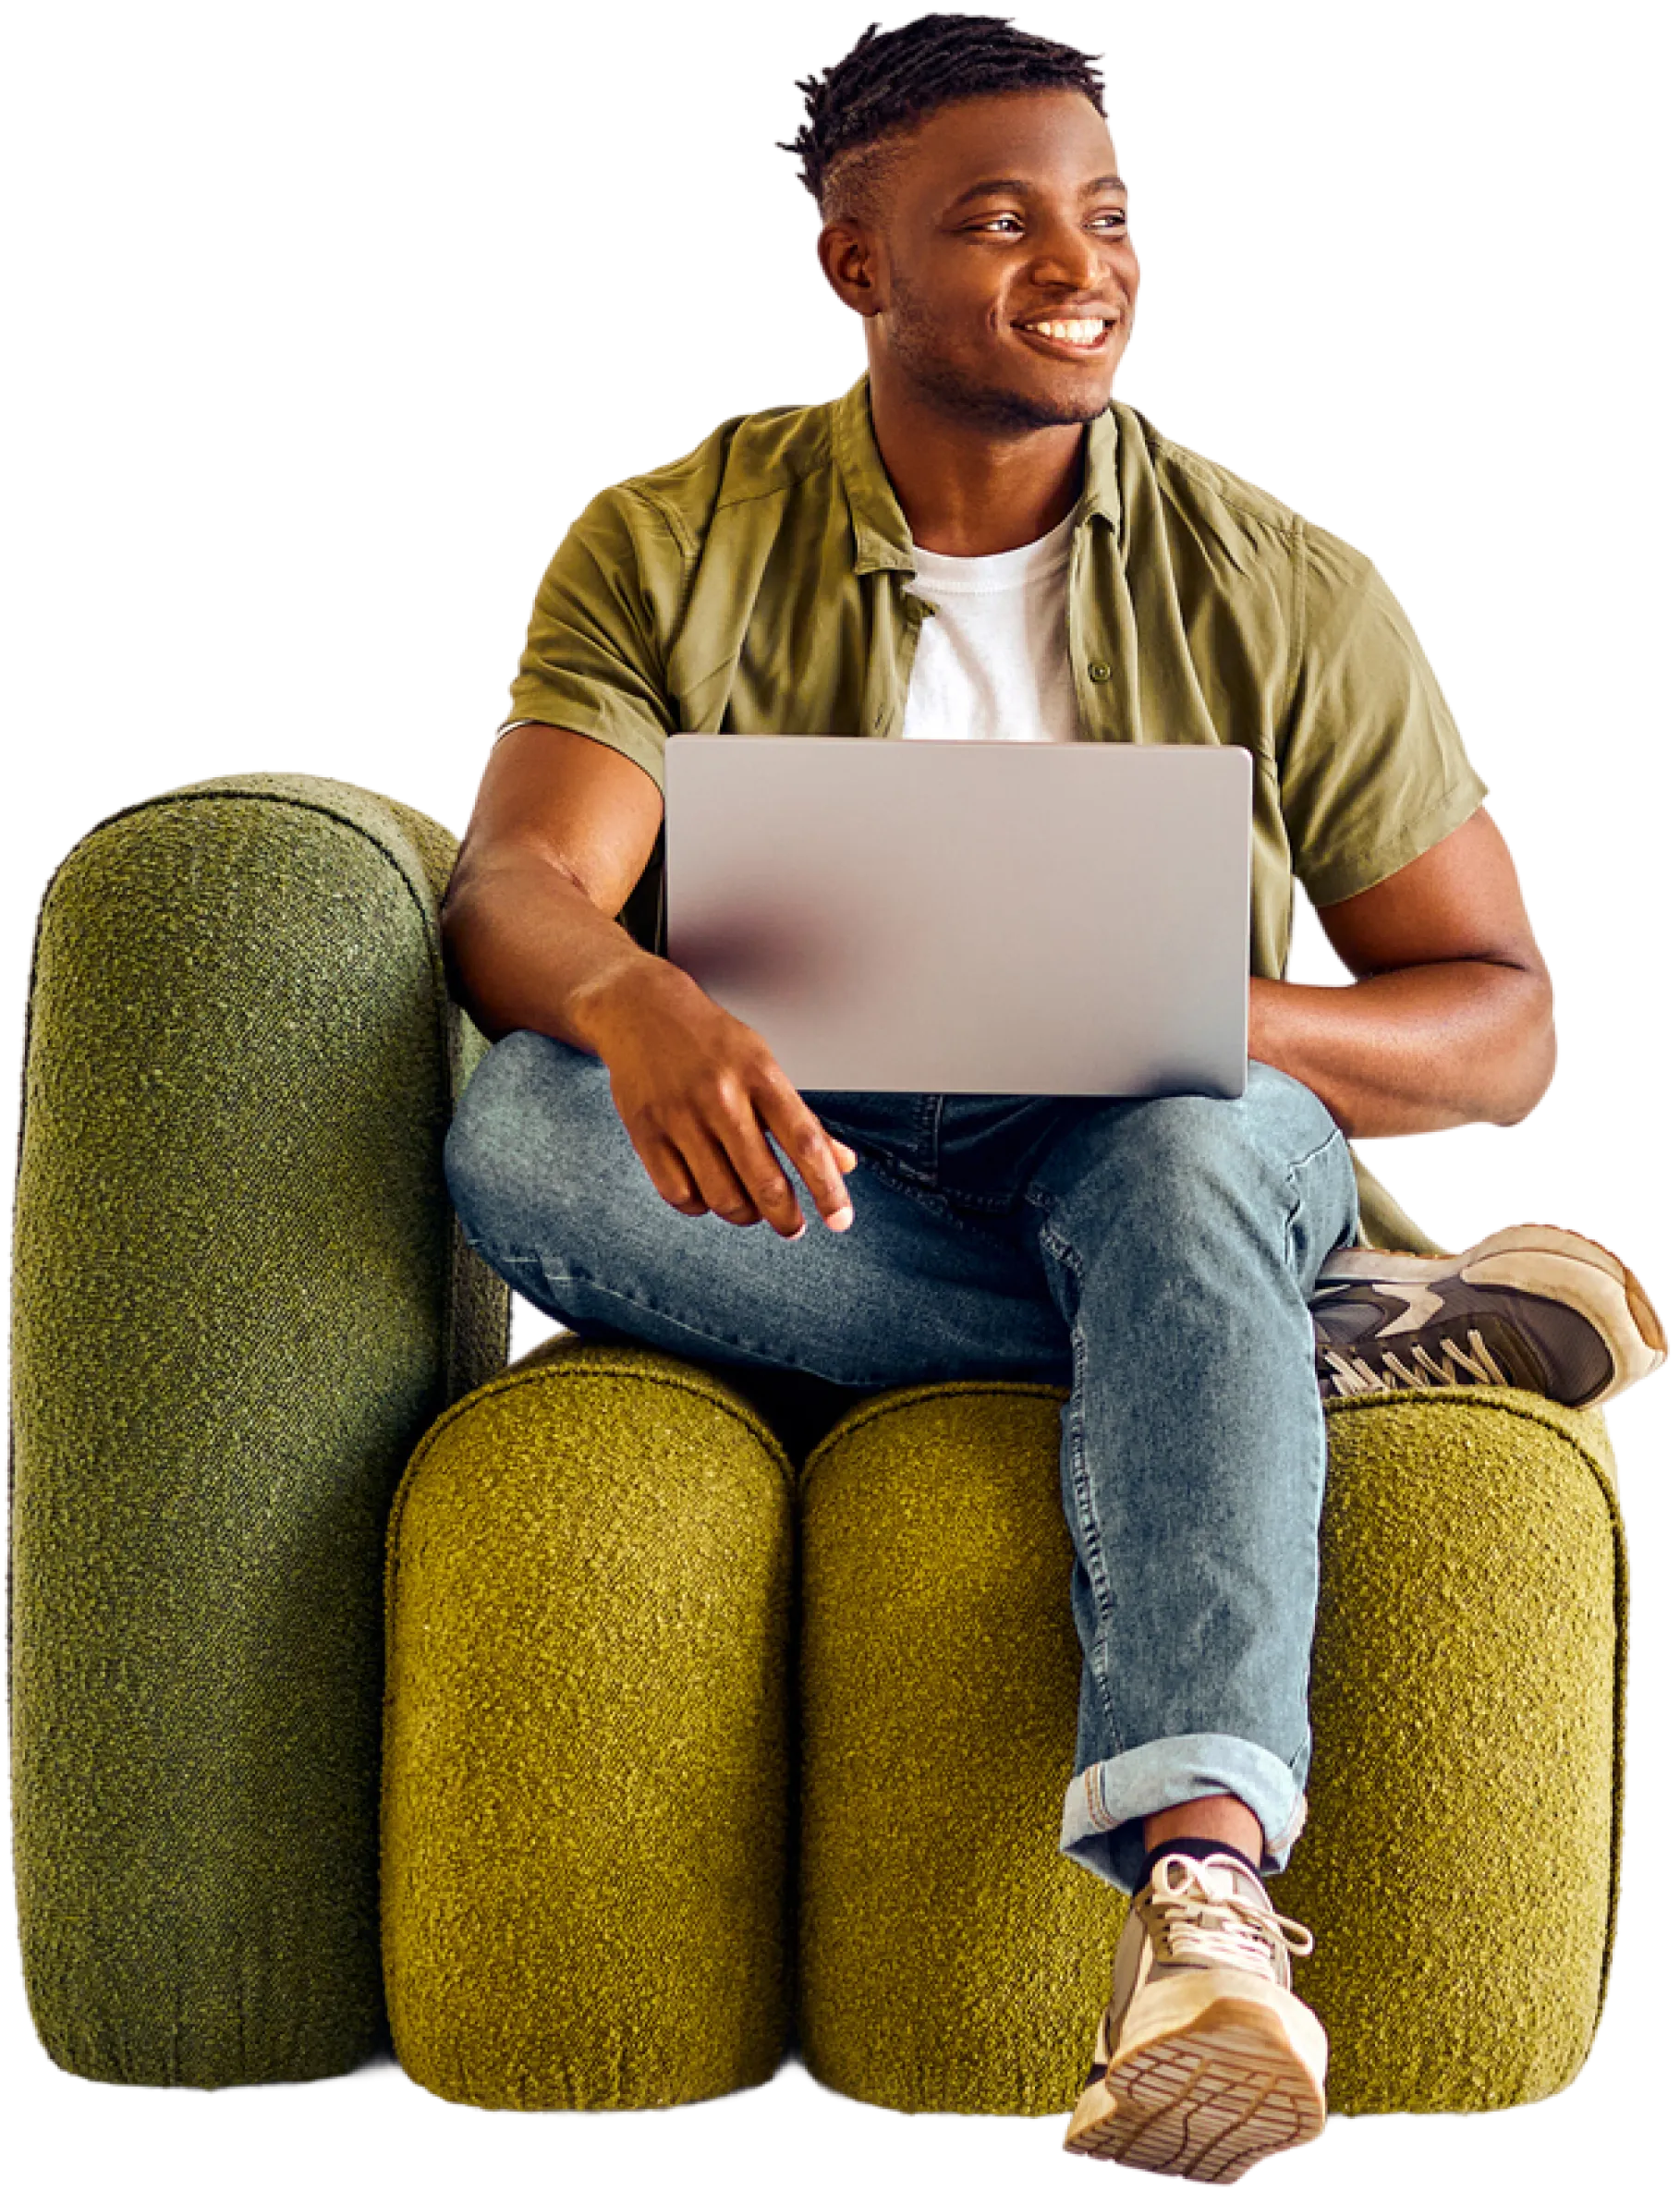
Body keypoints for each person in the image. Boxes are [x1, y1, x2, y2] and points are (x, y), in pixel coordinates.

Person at [439, 9, 1667, 2183]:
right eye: (998, 223)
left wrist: (1184, 1002)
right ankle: (1293, 1358)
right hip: (830, 1145)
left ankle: (1204, 1917)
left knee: (1180, 1153)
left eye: (1104, 217)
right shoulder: (665, 535)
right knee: (521, 1134)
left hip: (1178, 1124)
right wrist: (639, 1003)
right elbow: (524, 885)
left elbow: (1499, 1025)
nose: (1077, 266)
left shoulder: (1285, 581)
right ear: (857, 264)